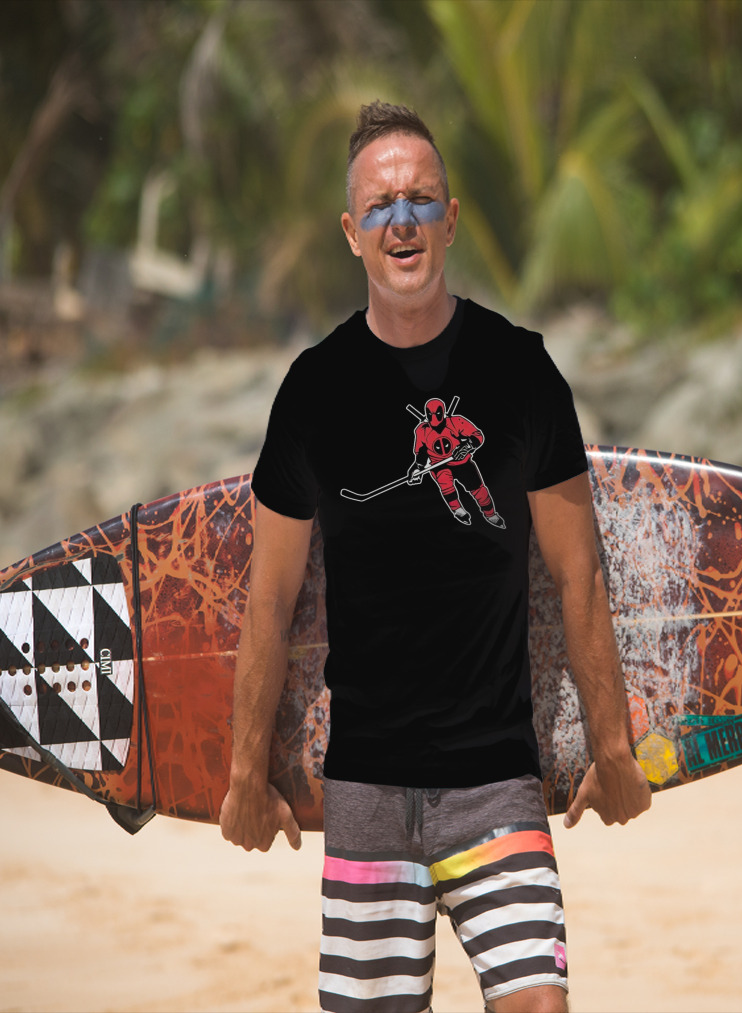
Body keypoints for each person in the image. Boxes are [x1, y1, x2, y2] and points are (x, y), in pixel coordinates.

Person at [220, 100, 651, 1013]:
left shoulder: (522, 372)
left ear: (450, 220)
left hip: (496, 782)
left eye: (420, 200)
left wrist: (611, 745)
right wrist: (244, 772)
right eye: (380, 206)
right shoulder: (313, 391)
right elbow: (270, 600)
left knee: (540, 1004)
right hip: (366, 789)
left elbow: (578, 574)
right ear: (352, 233)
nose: (402, 221)